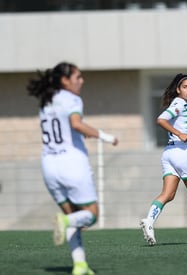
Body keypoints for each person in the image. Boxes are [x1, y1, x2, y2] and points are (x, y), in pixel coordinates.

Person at [27, 62, 118, 275]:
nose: (82, 81)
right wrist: (105, 136)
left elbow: (68, 127)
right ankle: (65, 221)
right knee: (91, 216)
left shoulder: (46, 100)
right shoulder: (72, 99)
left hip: (49, 166)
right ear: (65, 80)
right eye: (78, 77)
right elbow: (76, 124)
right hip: (72, 164)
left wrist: (81, 131)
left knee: (77, 221)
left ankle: (79, 265)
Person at [139, 73, 187, 245]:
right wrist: (180, 133)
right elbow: (161, 119)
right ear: (178, 89)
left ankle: (149, 220)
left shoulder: (180, 105)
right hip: (182, 154)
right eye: (185, 87)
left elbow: (176, 123)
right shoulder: (180, 103)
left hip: (169, 153)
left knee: (168, 194)